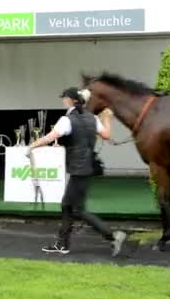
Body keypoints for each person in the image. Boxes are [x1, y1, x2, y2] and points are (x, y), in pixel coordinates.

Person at [28, 87, 127, 257]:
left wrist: (31, 146)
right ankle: (62, 244)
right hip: (86, 167)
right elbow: (107, 134)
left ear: (70, 101)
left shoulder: (66, 120)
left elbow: (51, 137)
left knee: (78, 209)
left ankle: (112, 236)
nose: (62, 101)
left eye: (64, 98)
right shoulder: (93, 118)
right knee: (67, 205)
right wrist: (108, 118)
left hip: (79, 169)